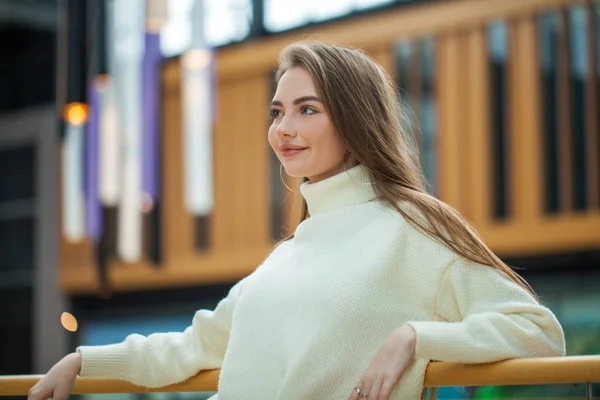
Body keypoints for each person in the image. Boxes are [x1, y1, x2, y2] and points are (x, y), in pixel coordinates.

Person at [28, 42, 566, 400]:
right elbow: (194, 347)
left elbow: (538, 333)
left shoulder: (414, 226)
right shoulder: (287, 255)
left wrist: (414, 338)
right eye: (277, 111)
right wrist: (82, 363)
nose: (284, 128)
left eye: (307, 109)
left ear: (355, 121)